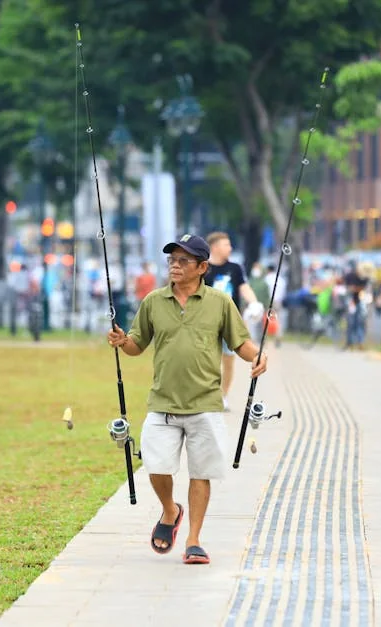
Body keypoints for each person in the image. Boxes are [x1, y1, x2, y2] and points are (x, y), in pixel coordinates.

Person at [107, 233, 268, 565]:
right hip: (162, 402)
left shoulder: (220, 303)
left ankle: (193, 540)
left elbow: (240, 343)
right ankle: (170, 510)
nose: (175, 266)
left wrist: (258, 356)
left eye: (183, 261)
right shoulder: (153, 301)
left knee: (201, 472)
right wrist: (123, 341)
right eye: (172, 260)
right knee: (156, 465)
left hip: (206, 404)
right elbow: (137, 345)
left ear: (202, 267)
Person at [203, 232, 261, 411]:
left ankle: (223, 395)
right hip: (206, 322)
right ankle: (206, 395)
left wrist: (254, 303)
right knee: (207, 361)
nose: (230, 248)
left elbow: (244, 288)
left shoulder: (235, 269)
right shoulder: (203, 268)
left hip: (229, 323)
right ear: (214, 247)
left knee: (229, 360)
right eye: (226, 245)